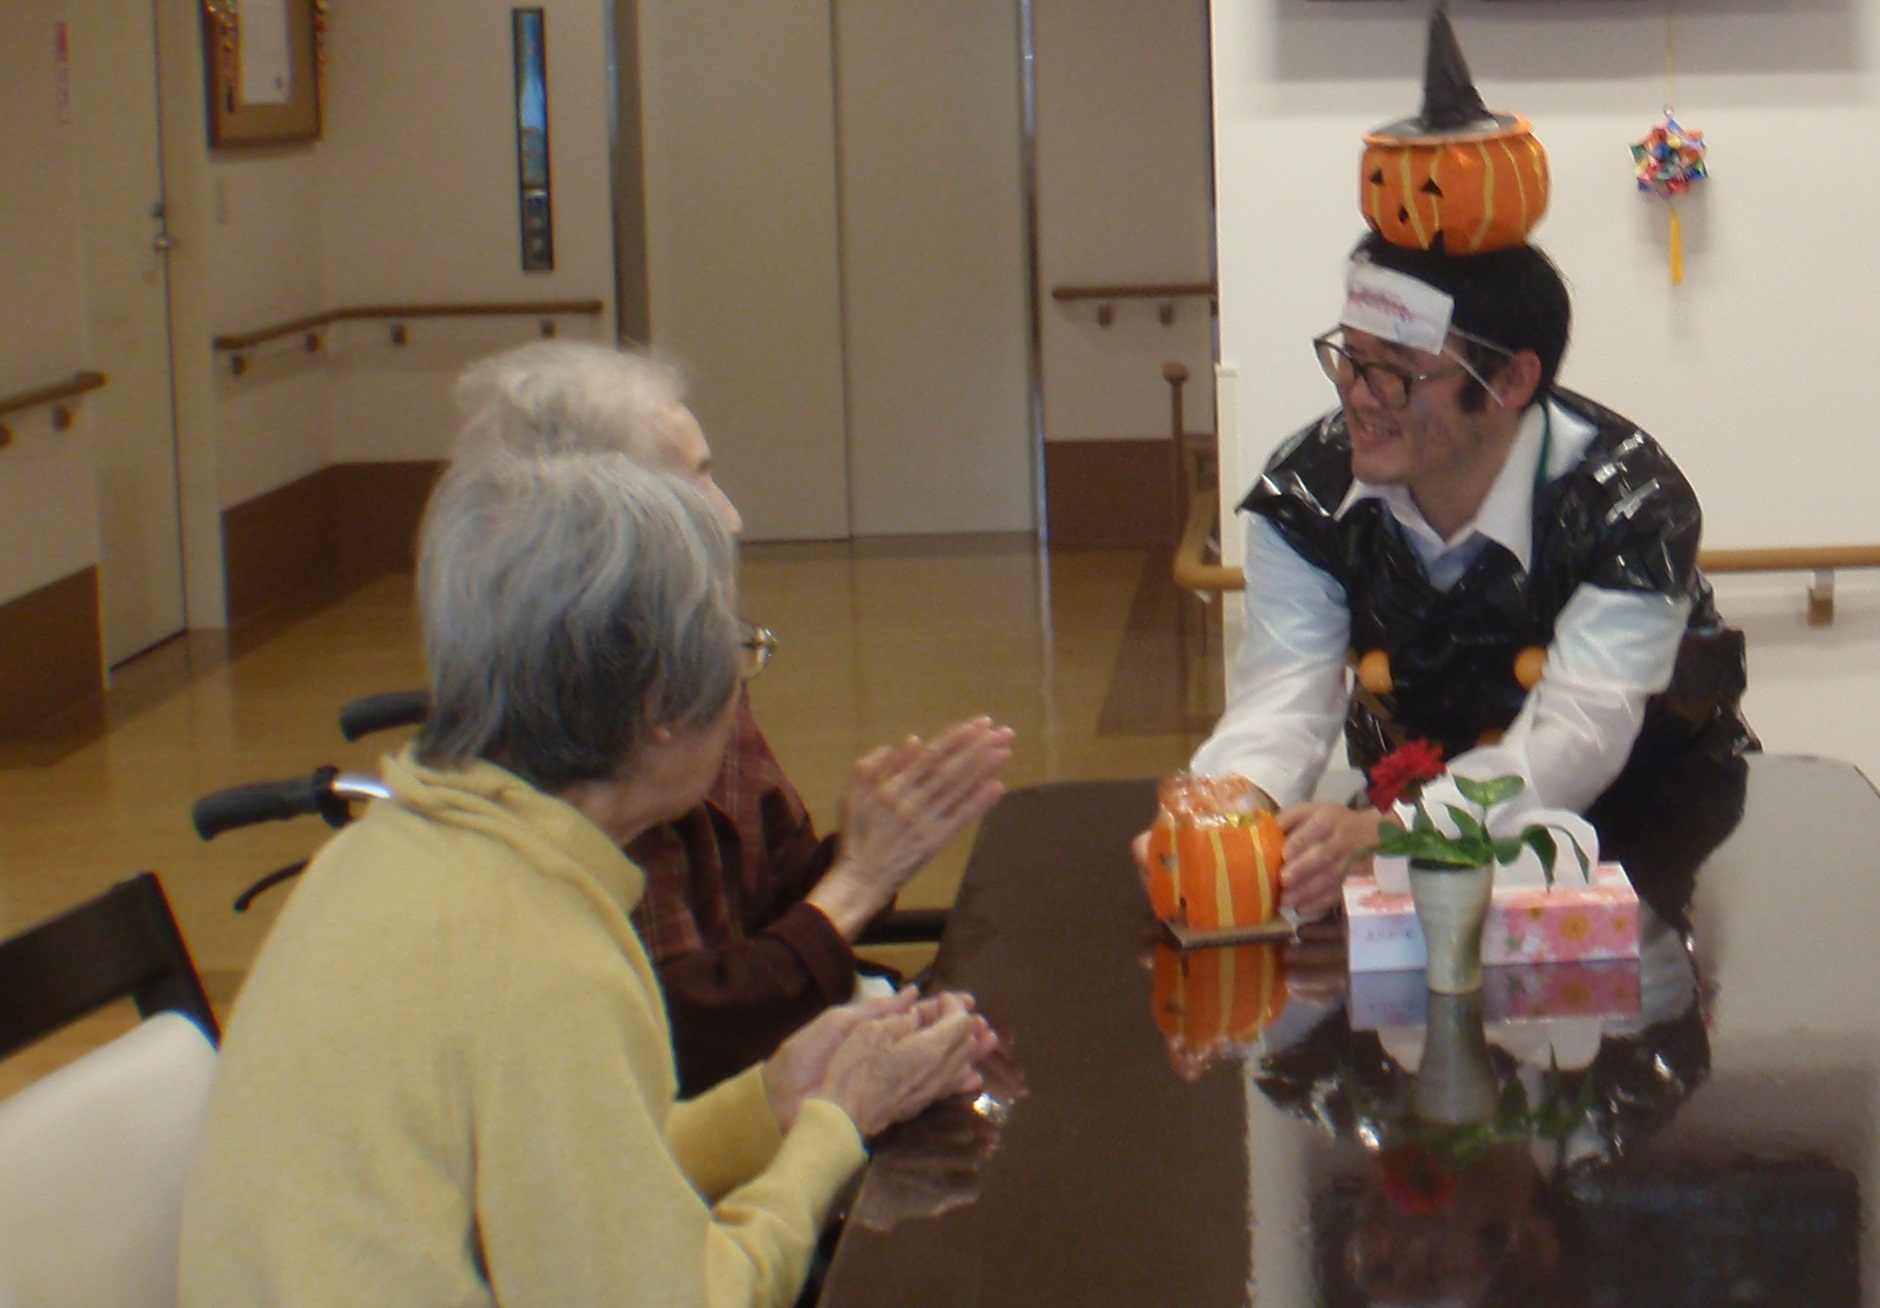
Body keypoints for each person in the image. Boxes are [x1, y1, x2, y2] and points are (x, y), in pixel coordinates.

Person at [180, 442, 995, 1306]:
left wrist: (772, 1103)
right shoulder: (547, 958)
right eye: (735, 646)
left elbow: (567, 1186)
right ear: (661, 706)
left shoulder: (376, 855)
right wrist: (835, 1130)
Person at [1141, 11, 1750, 921]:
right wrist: (1222, 812)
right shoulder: (1307, 493)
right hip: (1412, 829)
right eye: (1349, 358)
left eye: (1397, 370)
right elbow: (1285, 693)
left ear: (1512, 381)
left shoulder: (1631, 502)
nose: (1359, 396)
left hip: (1651, 826)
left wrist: (1400, 830)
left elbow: (1579, 734)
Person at [454, 342, 1015, 1094]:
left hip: (775, 1061)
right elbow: (672, 1037)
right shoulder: (583, 721)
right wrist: (857, 882)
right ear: (594, 523)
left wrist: (877, 847)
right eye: (695, 483)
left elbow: (773, 907)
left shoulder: (696, 658)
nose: (731, 516)